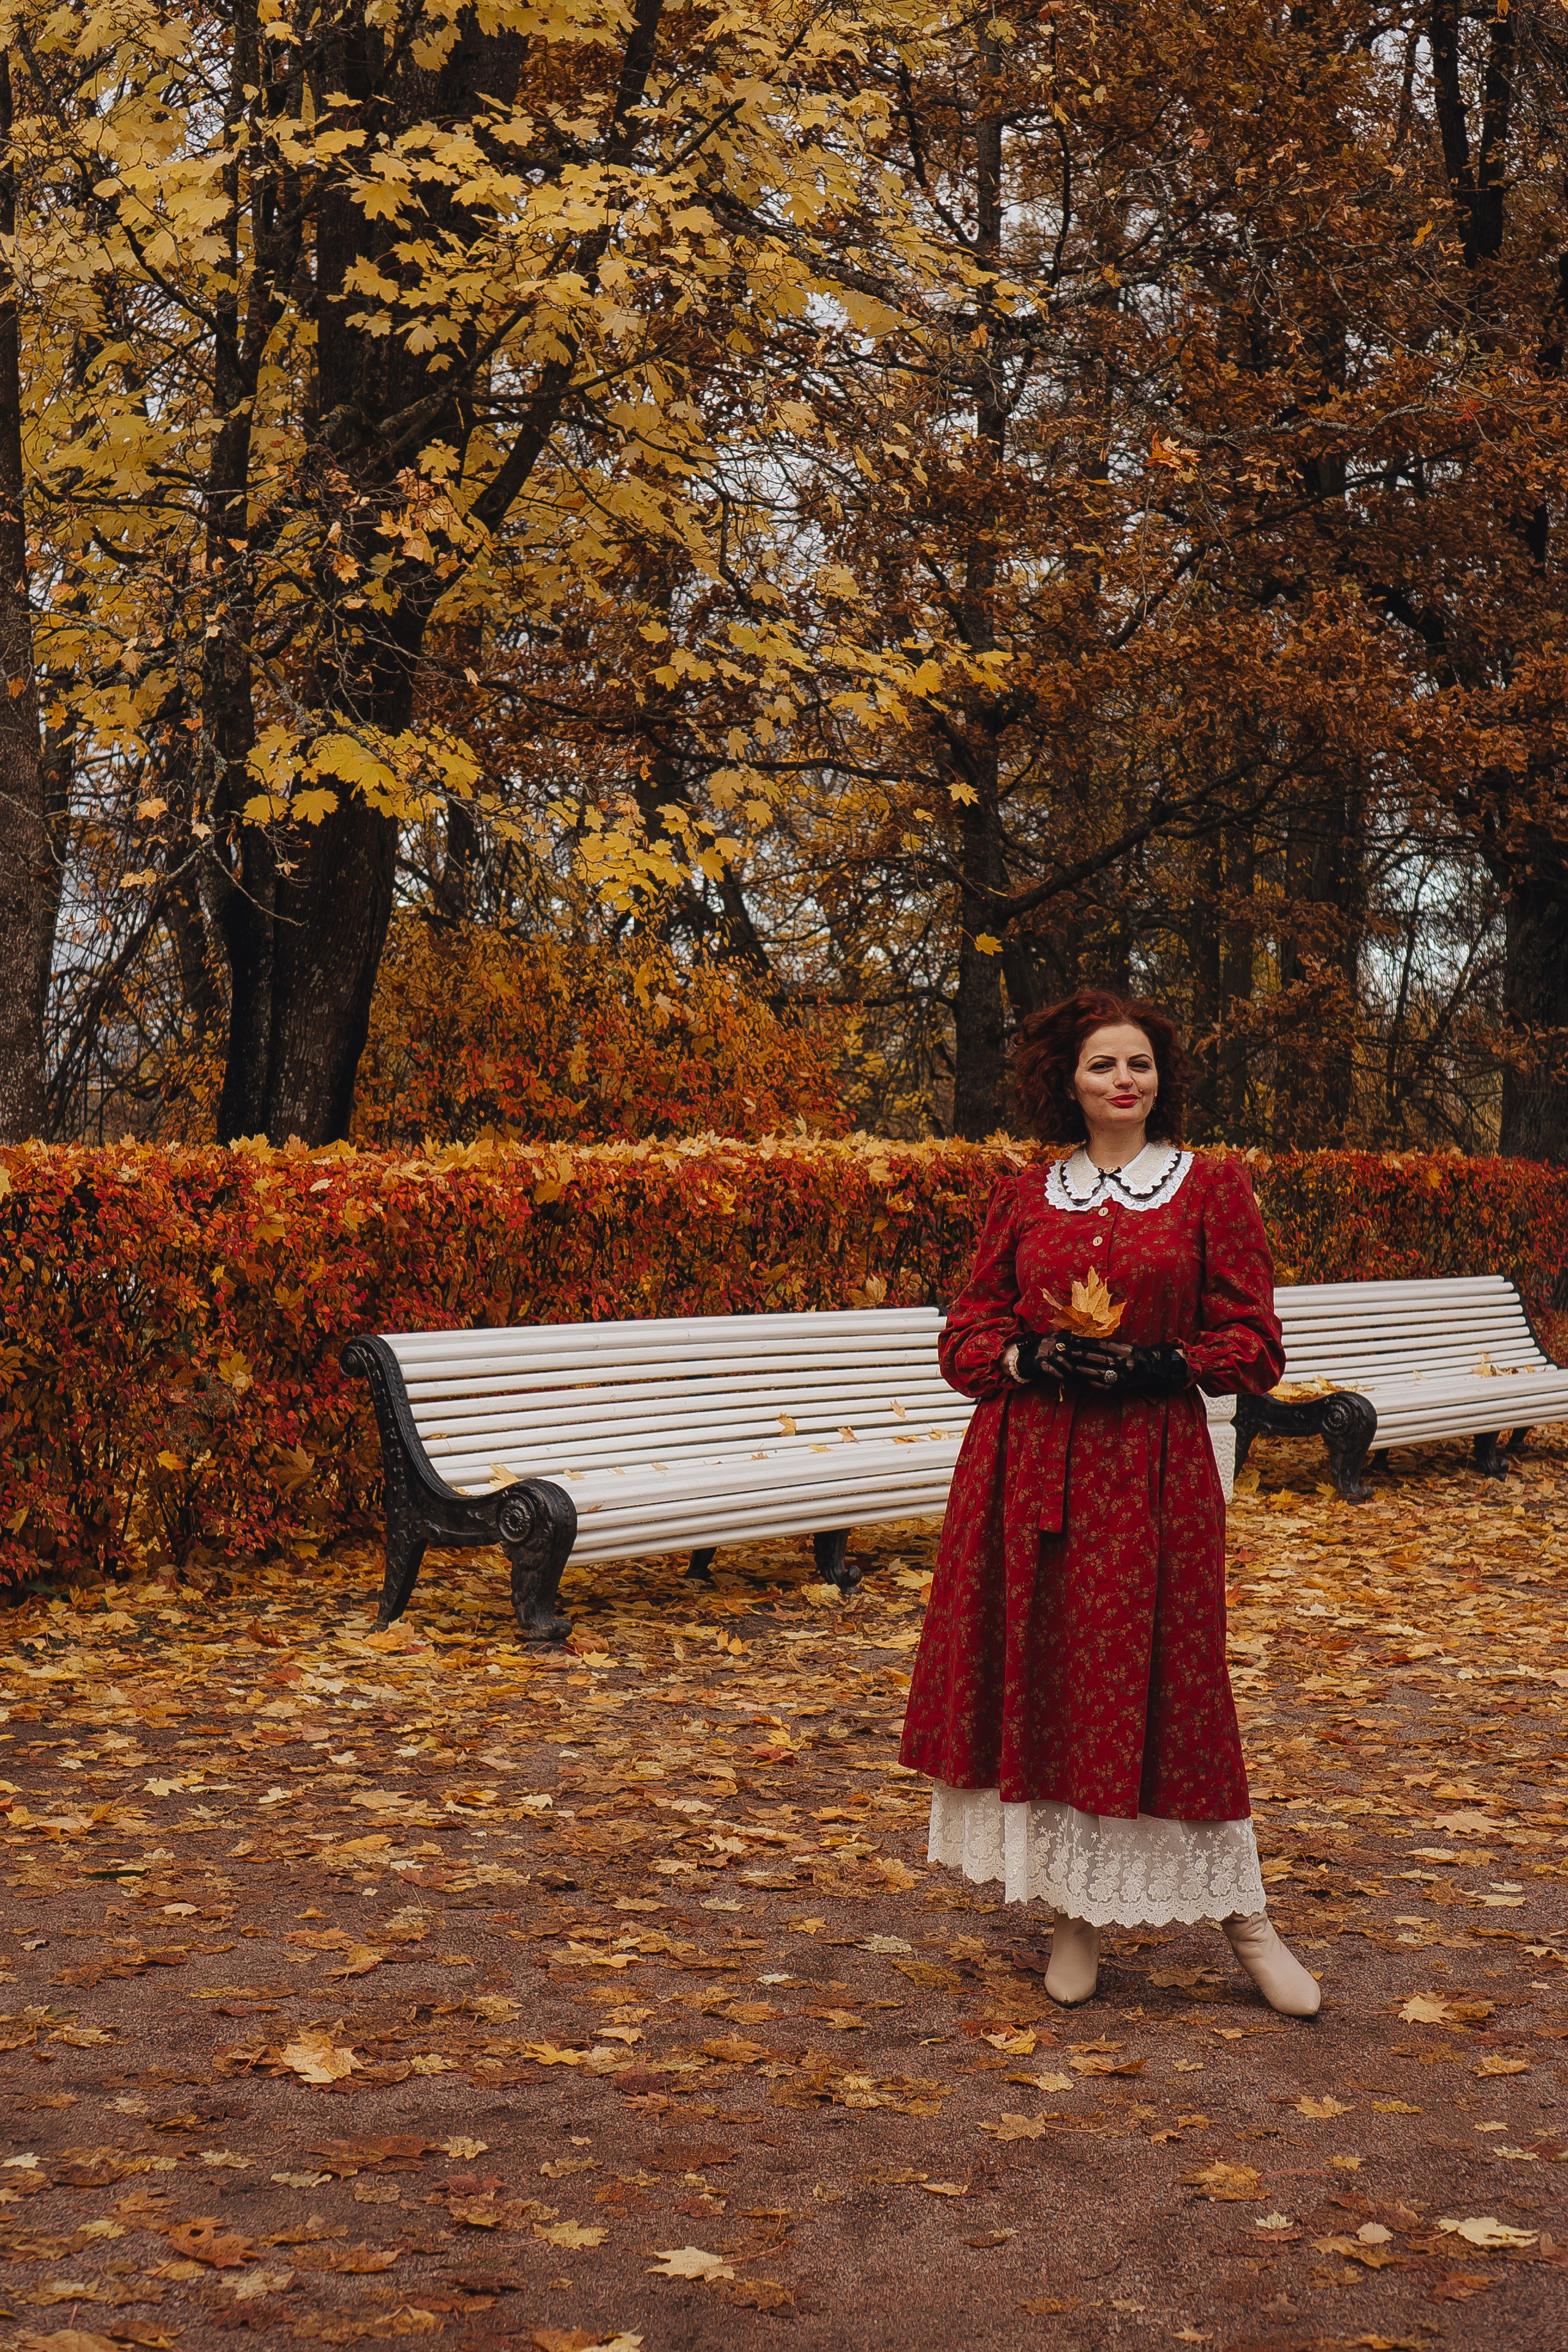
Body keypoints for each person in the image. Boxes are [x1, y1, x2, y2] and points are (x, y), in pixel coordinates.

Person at [899, 988, 1320, 2016]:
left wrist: (1164, 1364)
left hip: (1153, 1469)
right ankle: (1073, 1917)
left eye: (1139, 1063)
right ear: (1070, 1081)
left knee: (1174, 1683)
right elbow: (962, 1338)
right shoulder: (1027, 1195)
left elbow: (1258, 1344)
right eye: (1102, 1065)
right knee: (1052, 1676)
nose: (1123, 1081)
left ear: (1160, 1078)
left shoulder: (1210, 1190)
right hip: (1029, 1464)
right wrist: (1023, 1352)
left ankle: (1247, 1921)